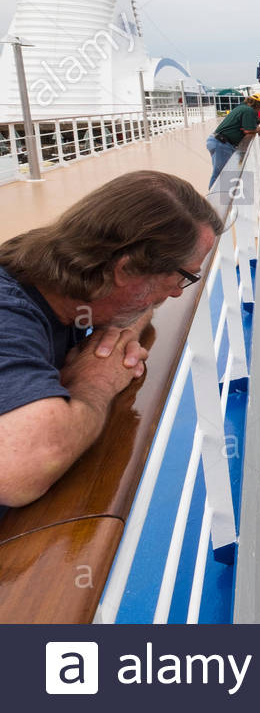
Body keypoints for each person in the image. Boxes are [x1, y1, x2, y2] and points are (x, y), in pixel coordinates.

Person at [0, 171, 221, 509]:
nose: (178, 293)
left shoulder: (58, 280)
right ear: (127, 270)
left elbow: (141, 304)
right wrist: (95, 383)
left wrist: (118, 331)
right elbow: (25, 465)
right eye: (183, 276)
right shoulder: (9, 311)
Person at [207, 92, 260, 189]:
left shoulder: (243, 107)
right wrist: (259, 129)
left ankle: (217, 196)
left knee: (221, 172)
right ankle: (212, 200)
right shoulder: (249, 111)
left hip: (217, 141)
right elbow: (248, 129)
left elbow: (247, 122)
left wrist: (259, 121)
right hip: (222, 143)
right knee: (220, 173)